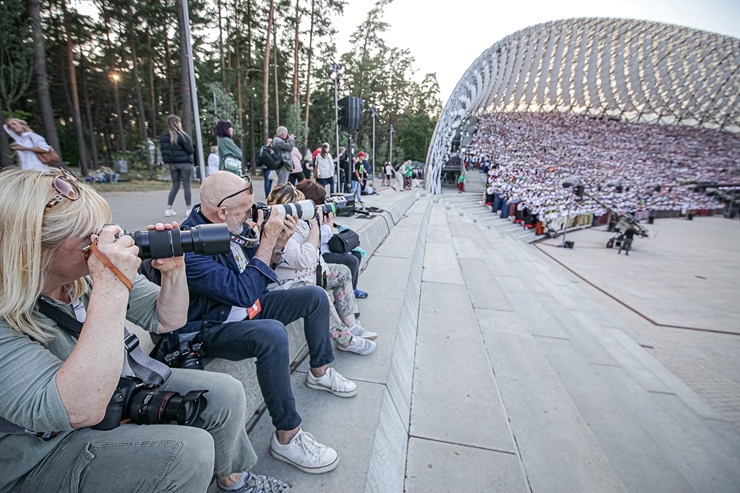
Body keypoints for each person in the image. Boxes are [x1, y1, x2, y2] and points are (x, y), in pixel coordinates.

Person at [0, 168, 287, 493]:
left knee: (226, 394)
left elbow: (166, 319)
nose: (99, 243)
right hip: (39, 452)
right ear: (32, 248)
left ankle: (233, 480)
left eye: (101, 230)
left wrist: (174, 271)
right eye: (86, 238)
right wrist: (110, 284)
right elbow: (77, 408)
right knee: (189, 454)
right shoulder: (8, 315)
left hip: (111, 392)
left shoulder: (84, 276)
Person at [175, 171, 359, 472]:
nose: (254, 213)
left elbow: (259, 271)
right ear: (222, 212)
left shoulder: (232, 223)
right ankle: (287, 436)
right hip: (213, 327)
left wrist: (277, 243)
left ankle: (320, 371)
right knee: (272, 334)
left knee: (313, 296)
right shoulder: (191, 243)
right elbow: (243, 293)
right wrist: (268, 237)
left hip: (250, 308)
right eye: (247, 209)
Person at [266, 183, 377, 355]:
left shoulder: (300, 223)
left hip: (314, 273)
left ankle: (352, 325)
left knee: (343, 272)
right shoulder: (278, 229)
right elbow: (304, 259)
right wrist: (316, 226)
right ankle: (344, 340)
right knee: (320, 295)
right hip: (291, 284)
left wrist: (316, 223)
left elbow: (317, 246)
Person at [297, 180, 369, 299]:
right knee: (351, 260)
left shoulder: (313, 213)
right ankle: (344, 296)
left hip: (325, 248)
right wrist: (328, 223)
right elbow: (319, 239)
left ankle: (352, 288)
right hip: (317, 255)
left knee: (357, 254)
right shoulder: (302, 218)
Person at [160, 114, 194, 217]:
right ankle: (189, 208)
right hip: (184, 164)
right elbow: (190, 150)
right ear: (177, 123)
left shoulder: (164, 135)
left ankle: (168, 208)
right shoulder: (182, 135)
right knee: (186, 185)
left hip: (172, 164)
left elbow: (163, 150)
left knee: (175, 185)